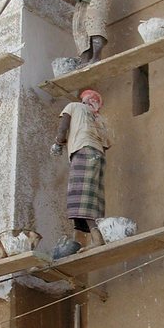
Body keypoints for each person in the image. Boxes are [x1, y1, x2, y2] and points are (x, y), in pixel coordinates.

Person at [50, 88, 111, 258]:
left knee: (81, 196)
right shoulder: (99, 119)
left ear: (83, 99)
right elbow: (106, 145)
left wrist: (57, 144)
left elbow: (63, 129)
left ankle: (96, 238)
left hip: (82, 152)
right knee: (93, 197)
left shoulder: (74, 106)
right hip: (98, 157)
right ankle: (78, 241)